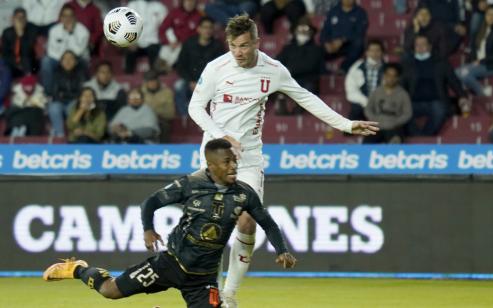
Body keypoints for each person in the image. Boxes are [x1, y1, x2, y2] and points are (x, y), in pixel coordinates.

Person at [188, 14, 378, 307]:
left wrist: (345, 124)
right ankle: (211, 294)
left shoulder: (273, 70)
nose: (238, 52)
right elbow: (195, 108)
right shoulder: (216, 68)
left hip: (248, 159)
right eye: (233, 46)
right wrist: (220, 135)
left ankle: (229, 294)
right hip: (213, 156)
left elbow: (306, 97)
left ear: (256, 43)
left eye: (244, 46)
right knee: (211, 227)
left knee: (247, 220)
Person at [43, 138, 297, 308]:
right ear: (211, 165)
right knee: (110, 291)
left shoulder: (244, 194)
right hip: (170, 264)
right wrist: (148, 229)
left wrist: (282, 249)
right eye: (227, 162)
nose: (234, 166)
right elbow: (151, 202)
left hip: (203, 279)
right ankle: (77, 268)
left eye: (234, 161)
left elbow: (268, 223)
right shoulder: (190, 185)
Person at [401, 35, 468, 136]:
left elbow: (454, 81)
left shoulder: (441, 63)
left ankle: (424, 137)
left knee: (440, 110)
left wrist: (462, 96)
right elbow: (401, 85)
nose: (420, 47)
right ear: (414, 47)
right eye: (417, 45)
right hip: (413, 102)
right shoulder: (407, 64)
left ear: (429, 47)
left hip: (436, 102)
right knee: (400, 111)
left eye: (423, 44)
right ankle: (419, 136)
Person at [174, 16, 225, 116]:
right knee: (178, 86)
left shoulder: (217, 45)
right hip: (190, 80)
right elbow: (180, 65)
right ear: (199, 29)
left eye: (210, 27)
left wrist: (204, 83)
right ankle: (185, 118)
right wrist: (190, 81)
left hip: (210, 82)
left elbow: (221, 69)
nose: (207, 30)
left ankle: (212, 117)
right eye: (205, 27)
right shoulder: (189, 43)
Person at [275, 17, 324, 115]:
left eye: (305, 29)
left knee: (307, 88)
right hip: (288, 80)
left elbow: (311, 67)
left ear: (311, 32)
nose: (302, 32)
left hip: (307, 80)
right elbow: (277, 62)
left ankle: (298, 109)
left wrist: (290, 70)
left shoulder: (316, 49)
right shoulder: (288, 48)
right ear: (295, 31)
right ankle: (281, 106)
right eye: (299, 29)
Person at [455, 5, 493, 97]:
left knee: (464, 75)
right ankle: (477, 90)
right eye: (489, 14)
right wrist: (472, 62)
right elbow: (473, 50)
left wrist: (480, 61)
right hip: (477, 63)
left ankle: (482, 92)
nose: (491, 17)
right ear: (485, 15)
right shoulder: (480, 29)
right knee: (456, 72)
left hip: (491, 65)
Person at [40, 4, 90, 94]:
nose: (68, 19)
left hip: (77, 59)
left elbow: (79, 51)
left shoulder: (83, 31)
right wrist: (63, 60)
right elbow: (51, 51)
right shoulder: (54, 30)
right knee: (46, 61)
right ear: (61, 17)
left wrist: (70, 33)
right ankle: (48, 94)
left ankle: (82, 93)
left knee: (84, 60)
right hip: (59, 59)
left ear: (75, 17)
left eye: (70, 16)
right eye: (65, 16)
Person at [364, 64, 412, 144]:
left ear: (398, 78)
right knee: (366, 145)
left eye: (394, 76)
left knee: (396, 141)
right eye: (388, 75)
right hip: (377, 126)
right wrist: (375, 119)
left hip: (395, 127)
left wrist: (396, 121)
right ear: (384, 76)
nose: (391, 78)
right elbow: (368, 109)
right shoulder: (376, 92)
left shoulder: (403, 94)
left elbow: (408, 113)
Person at [47, 50, 88, 137]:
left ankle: (73, 133)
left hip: (73, 102)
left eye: (71, 59)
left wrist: (65, 95)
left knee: (72, 108)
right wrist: (67, 96)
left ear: (76, 62)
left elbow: (81, 93)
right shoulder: (56, 73)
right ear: (61, 62)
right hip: (60, 102)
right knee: (53, 108)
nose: (68, 61)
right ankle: (60, 134)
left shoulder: (80, 74)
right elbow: (54, 93)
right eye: (65, 59)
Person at [319, 0, 368, 73]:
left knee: (359, 44)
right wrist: (327, 43)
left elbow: (360, 32)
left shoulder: (360, 12)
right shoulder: (333, 11)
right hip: (332, 45)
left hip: (350, 45)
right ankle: (322, 71)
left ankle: (343, 68)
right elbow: (324, 31)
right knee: (316, 49)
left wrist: (342, 40)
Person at [345, 40, 385, 122]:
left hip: (381, 103)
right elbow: (351, 91)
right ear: (367, 52)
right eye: (372, 50)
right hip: (362, 103)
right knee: (355, 111)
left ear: (382, 52)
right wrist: (366, 102)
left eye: (377, 50)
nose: (375, 53)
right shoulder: (357, 68)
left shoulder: (387, 69)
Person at [157, 0, 202, 70]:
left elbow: (197, 35)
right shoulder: (174, 12)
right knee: (163, 53)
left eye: (192, 1)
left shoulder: (198, 16)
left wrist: (182, 43)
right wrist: (168, 42)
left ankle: (169, 67)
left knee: (180, 51)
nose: (190, 3)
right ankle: (161, 65)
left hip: (186, 45)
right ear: (183, 2)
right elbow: (163, 29)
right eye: (187, 1)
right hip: (171, 41)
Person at [125, 0, 167, 74]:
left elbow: (165, 26)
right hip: (136, 41)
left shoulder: (160, 7)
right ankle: (128, 78)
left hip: (153, 41)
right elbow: (125, 25)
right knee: (129, 51)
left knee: (155, 51)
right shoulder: (132, 5)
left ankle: (154, 78)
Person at [1, 8, 39, 78]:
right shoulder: (7, 32)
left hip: (29, 62)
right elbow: (5, 54)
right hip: (13, 63)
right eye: (18, 17)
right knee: (4, 66)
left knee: (26, 61)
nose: (20, 20)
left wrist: (21, 34)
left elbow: (27, 52)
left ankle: (28, 83)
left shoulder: (32, 30)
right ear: (13, 19)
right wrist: (16, 64)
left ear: (26, 19)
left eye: (23, 17)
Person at [141, 70, 176, 143]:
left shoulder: (167, 92)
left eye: (154, 80)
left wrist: (152, 112)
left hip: (161, 120)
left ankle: (163, 149)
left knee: (164, 126)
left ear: (158, 81)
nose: (152, 83)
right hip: (143, 120)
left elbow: (171, 112)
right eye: (149, 81)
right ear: (145, 82)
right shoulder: (140, 92)